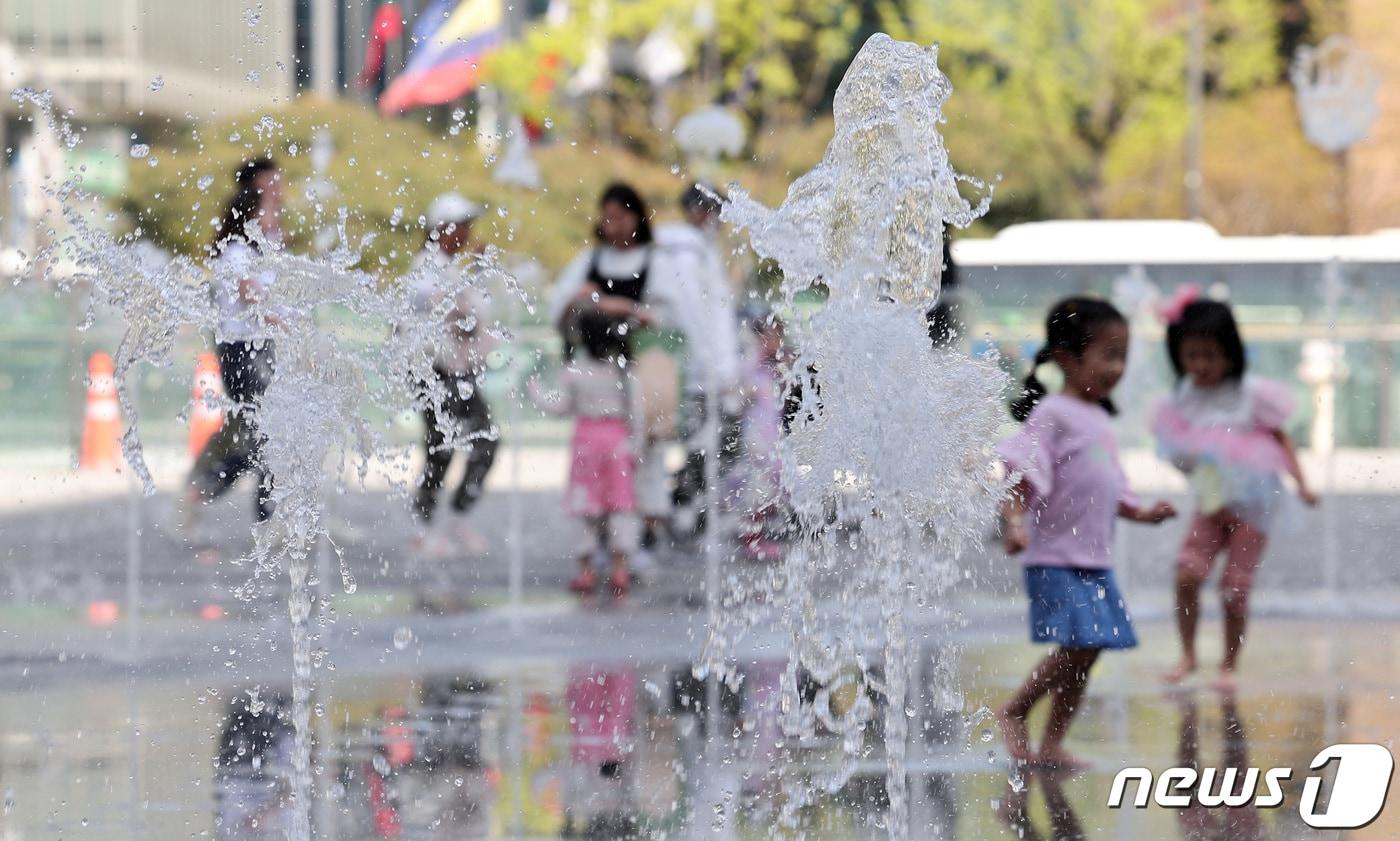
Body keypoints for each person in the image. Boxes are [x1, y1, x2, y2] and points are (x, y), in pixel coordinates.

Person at [996, 297, 1176, 769]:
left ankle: (1053, 743)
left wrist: (1142, 512)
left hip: (1093, 557)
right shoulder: (1053, 414)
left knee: (1087, 653)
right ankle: (1015, 710)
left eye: (1123, 355)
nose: (1118, 367)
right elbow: (1018, 470)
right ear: (1066, 357)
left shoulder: (1098, 418)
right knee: (1080, 644)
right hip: (1055, 555)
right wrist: (1015, 523)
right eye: (1108, 355)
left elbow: (1111, 485)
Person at [1155, 292, 1317, 692]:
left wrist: (1303, 483)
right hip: (1211, 503)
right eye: (1191, 356)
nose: (1201, 366)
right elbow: (1182, 451)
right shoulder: (1184, 397)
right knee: (1186, 573)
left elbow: (1281, 441)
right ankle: (1188, 654)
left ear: (1230, 352)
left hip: (1252, 508)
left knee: (1235, 587)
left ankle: (1228, 663)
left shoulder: (1251, 393)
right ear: (1178, 355)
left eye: (1210, 355)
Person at [548, 183, 699, 574]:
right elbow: (562, 310)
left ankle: (639, 541)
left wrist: (622, 308)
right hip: (600, 379)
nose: (613, 225)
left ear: (637, 216)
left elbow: (675, 319)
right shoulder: (590, 261)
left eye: (621, 216)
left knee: (643, 460)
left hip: (641, 377)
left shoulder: (656, 263)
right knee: (599, 467)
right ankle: (602, 540)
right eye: (607, 216)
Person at [186, 157, 284, 542]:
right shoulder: (237, 255)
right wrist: (284, 319)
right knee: (264, 437)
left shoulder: (260, 252)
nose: (274, 217)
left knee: (266, 435)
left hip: (257, 350)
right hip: (241, 354)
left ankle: (263, 517)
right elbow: (250, 297)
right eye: (267, 212)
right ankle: (205, 492)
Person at [407, 192, 498, 558]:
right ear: (442, 229)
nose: (467, 233)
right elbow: (434, 308)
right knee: (440, 448)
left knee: (483, 441)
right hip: (434, 373)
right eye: (462, 225)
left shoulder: (452, 268)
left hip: (459, 372)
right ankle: (427, 526)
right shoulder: (424, 268)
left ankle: (453, 518)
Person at [529, 313, 641, 598]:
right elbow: (636, 412)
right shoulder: (623, 372)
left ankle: (587, 571)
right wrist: (636, 447)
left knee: (585, 509)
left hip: (587, 445)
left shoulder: (575, 372)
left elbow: (561, 407)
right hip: (617, 444)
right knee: (620, 507)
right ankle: (619, 568)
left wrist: (535, 392)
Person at [655, 184, 742, 535]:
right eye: (715, 212)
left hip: (708, 372)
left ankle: (684, 505)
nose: (719, 221)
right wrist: (716, 368)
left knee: (720, 441)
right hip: (697, 373)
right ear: (699, 211)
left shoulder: (700, 250)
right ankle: (677, 509)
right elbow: (691, 312)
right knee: (708, 442)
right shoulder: (685, 252)